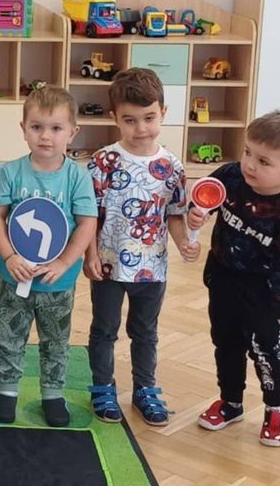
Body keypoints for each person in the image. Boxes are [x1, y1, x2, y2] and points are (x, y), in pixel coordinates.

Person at [187, 107, 280, 448]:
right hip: (223, 277)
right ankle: (230, 402)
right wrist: (196, 214)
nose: (249, 165)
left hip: (265, 292)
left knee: (267, 352)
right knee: (226, 343)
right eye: (247, 152)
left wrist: (279, 309)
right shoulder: (230, 176)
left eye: (264, 161)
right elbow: (204, 200)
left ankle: (277, 409)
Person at [83, 68, 197, 427]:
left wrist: (184, 242)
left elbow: (174, 215)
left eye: (149, 118)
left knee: (146, 332)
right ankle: (102, 387)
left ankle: (145, 388)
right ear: (114, 117)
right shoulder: (102, 162)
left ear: (163, 112)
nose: (141, 128)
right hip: (108, 266)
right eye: (130, 120)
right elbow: (89, 216)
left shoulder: (172, 167)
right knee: (104, 330)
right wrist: (90, 254)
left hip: (153, 268)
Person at [0, 86, 97, 426]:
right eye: (36, 127)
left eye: (56, 128)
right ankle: (6, 391)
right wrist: (8, 256)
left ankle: (52, 394)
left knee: (56, 341)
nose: (45, 136)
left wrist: (65, 262)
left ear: (72, 132)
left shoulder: (77, 176)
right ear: (23, 129)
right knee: (9, 337)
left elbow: (87, 223)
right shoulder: (12, 172)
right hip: (15, 277)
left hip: (57, 281)